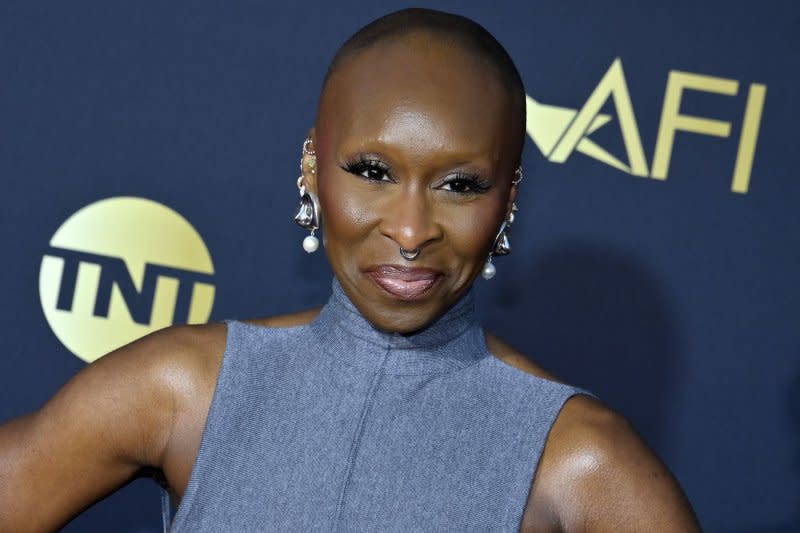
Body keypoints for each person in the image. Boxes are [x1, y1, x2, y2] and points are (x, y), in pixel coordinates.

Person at [0, 8, 701, 532]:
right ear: (312, 167)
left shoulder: (580, 458)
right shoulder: (187, 388)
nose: (408, 228)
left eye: (460, 184)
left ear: (509, 197)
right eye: (372, 171)